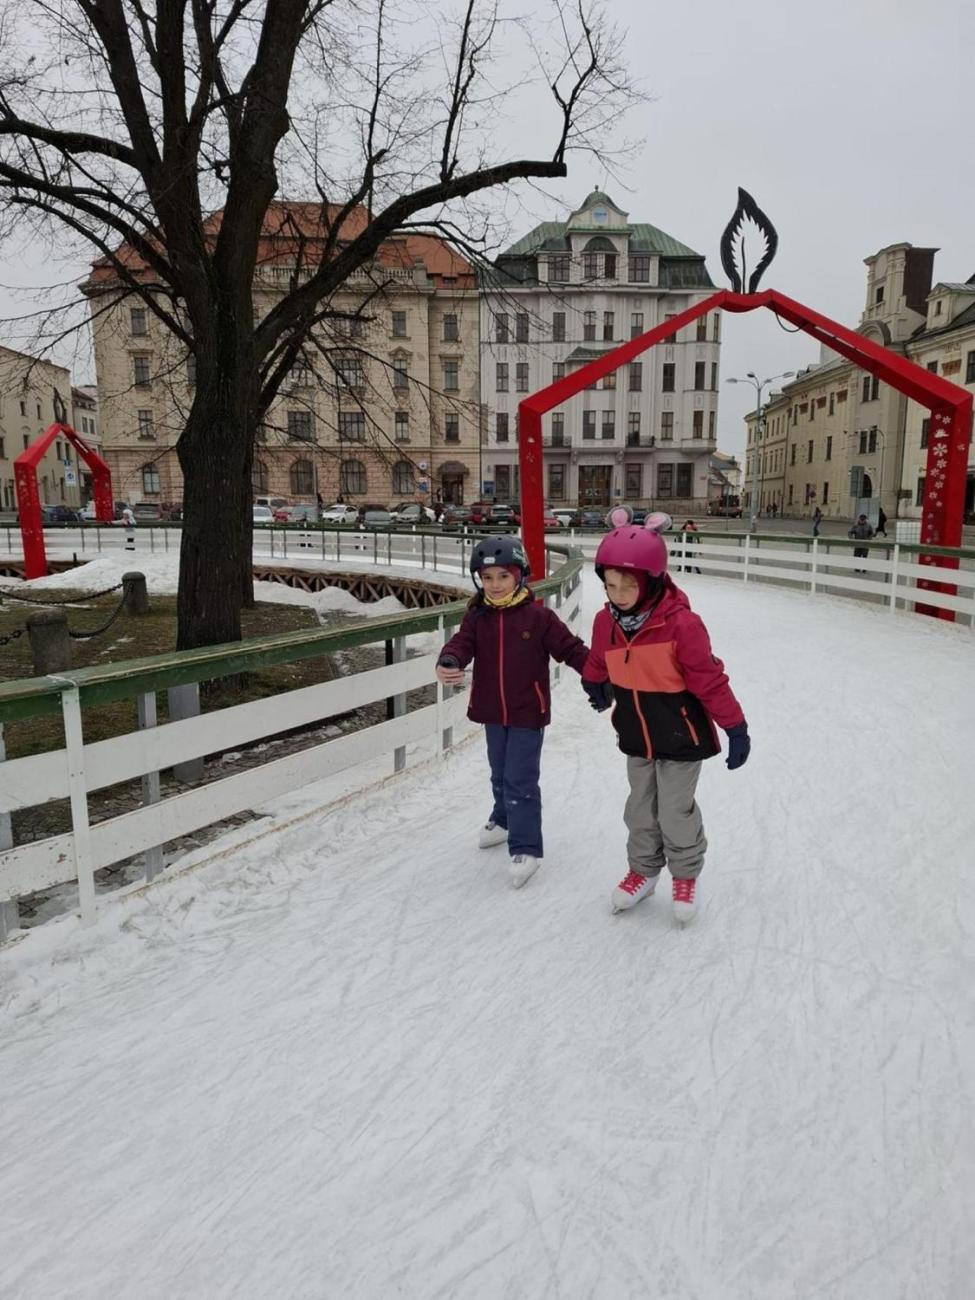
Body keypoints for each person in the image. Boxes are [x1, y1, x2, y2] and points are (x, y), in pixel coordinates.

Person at [581, 509, 749, 922]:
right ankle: (643, 870)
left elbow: (709, 680)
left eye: (628, 585)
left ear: (653, 581)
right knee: (639, 808)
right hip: (637, 731)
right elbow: (599, 659)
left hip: (680, 733)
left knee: (674, 809)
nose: (618, 593)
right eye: (610, 584)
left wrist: (735, 726)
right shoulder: (607, 621)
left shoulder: (682, 626)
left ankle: (685, 873)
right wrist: (594, 681)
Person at [435, 535, 589, 889]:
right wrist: (450, 659)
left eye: (502, 576)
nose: (495, 585)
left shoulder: (539, 618)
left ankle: (526, 847)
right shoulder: (477, 616)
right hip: (491, 709)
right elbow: (462, 643)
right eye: (487, 578)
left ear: (519, 575)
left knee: (520, 779)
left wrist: (599, 674)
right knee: (500, 772)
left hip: (527, 711)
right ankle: (503, 821)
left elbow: (570, 649)